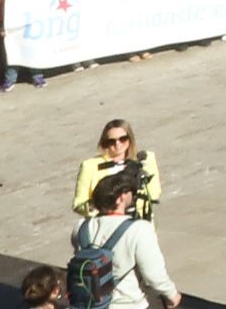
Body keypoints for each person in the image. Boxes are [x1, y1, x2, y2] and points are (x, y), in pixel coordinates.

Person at [64, 175, 179, 309]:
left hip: (87, 304)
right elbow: (153, 275)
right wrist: (172, 295)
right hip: (128, 304)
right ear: (121, 197)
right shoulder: (139, 229)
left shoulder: (81, 226)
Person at [71, 123, 163, 225]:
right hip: (106, 225)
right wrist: (102, 203)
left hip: (139, 223)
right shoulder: (89, 166)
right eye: (111, 141)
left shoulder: (144, 160)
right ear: (104, 143)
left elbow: (154, 194)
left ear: (130, 139)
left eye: (122, 139)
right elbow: (78, 205)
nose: (117, 144)